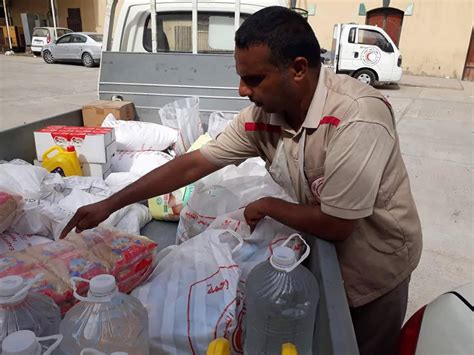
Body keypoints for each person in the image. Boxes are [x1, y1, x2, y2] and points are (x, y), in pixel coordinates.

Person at [61, 6, 422, 355]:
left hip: (374, 268)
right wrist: (111, 203)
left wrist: (266, 205)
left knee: (357, 345)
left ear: (298, 69)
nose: (241, 91)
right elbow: (192, 165)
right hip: (322, 261)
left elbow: (339, 223)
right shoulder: (264, 118)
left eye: (253, 79)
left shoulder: (356, 118)